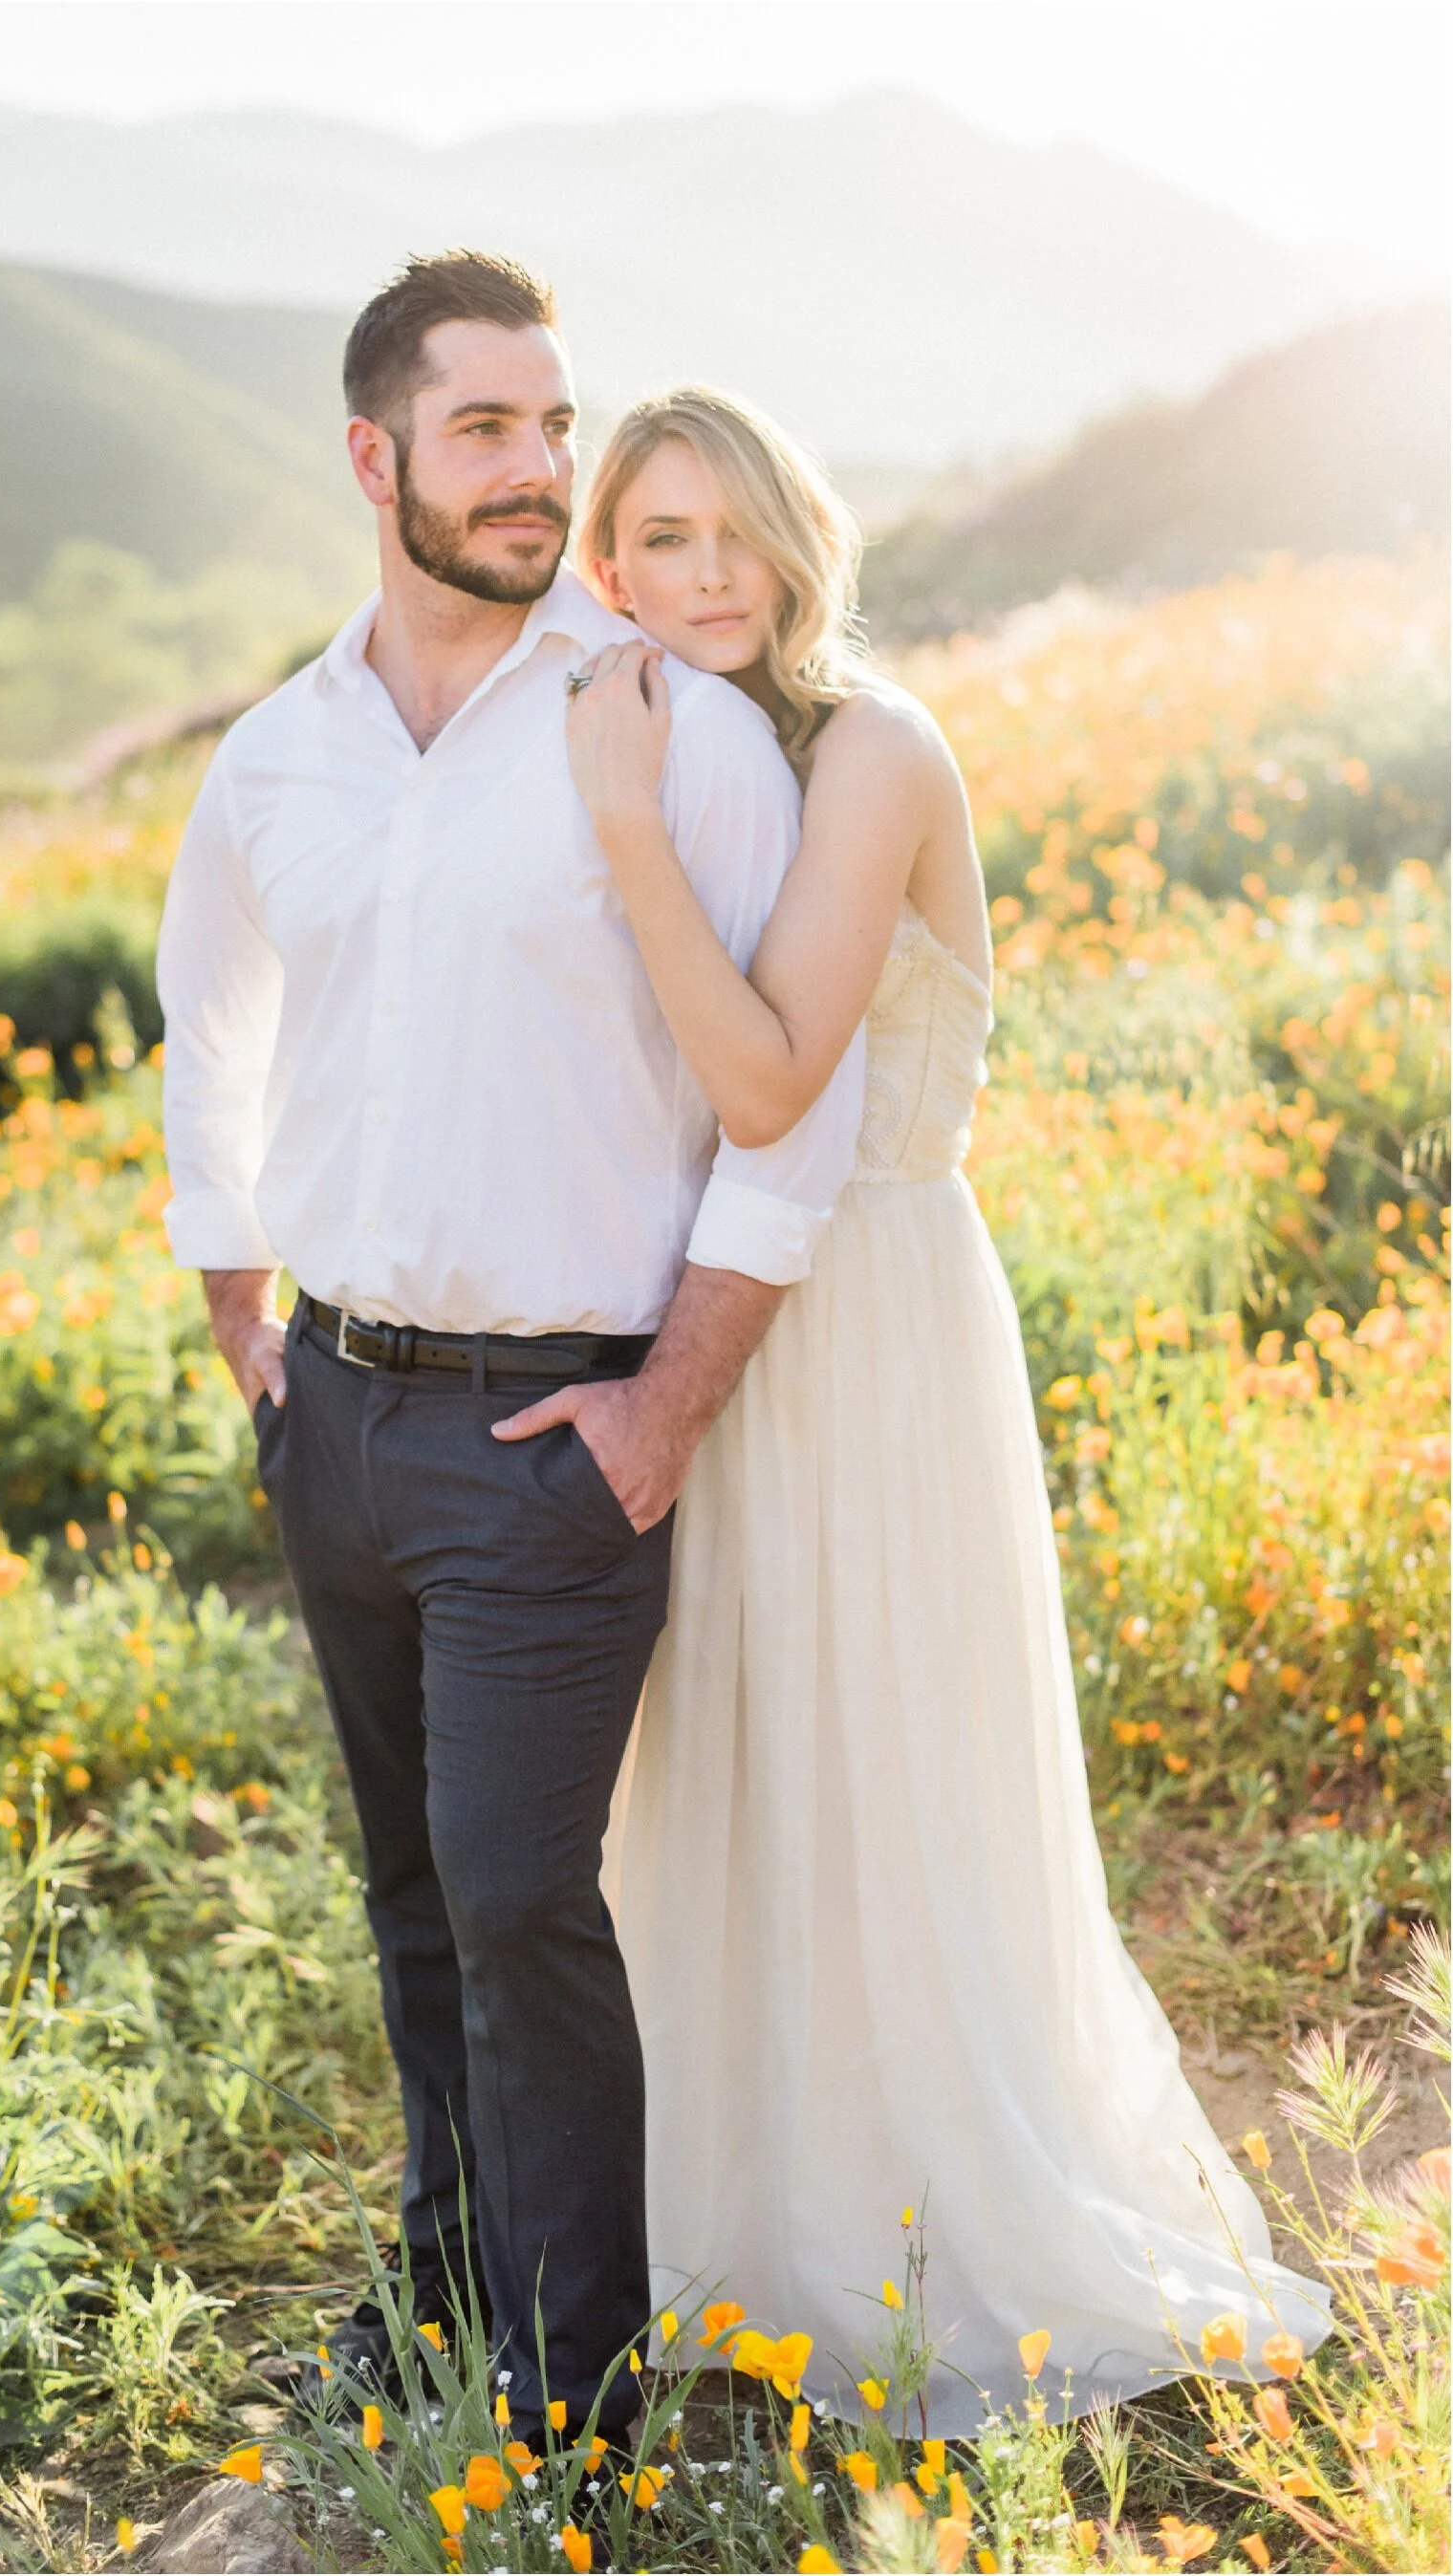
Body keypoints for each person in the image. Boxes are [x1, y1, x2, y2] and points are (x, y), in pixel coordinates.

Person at [569, 386, 1333, 2433]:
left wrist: (627, 834)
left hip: (879, 1314)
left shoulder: (877, 750)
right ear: (606, 564)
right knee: (726, 1747)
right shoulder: (663, 730)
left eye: (732, 531)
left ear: (799, 541)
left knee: (882, 1751)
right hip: (719, 1313)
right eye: (658, 538)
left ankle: (905, 2212)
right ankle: (724, 2200)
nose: (703, 572)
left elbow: (768, 1080)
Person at [155, 263, 864, 2443]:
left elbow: (791, 1107)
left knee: (519, 1901)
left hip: (555, 1430)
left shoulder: (666, 727)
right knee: (409, 1896)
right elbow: (215, 1019)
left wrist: (663, 1410)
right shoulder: (282, 749)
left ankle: (568, 2395)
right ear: (375, 460)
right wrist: (241, 1310)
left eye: (554, 426)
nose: (543, 470)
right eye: (487, 430)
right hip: (338, 1420)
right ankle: (447, 2287)